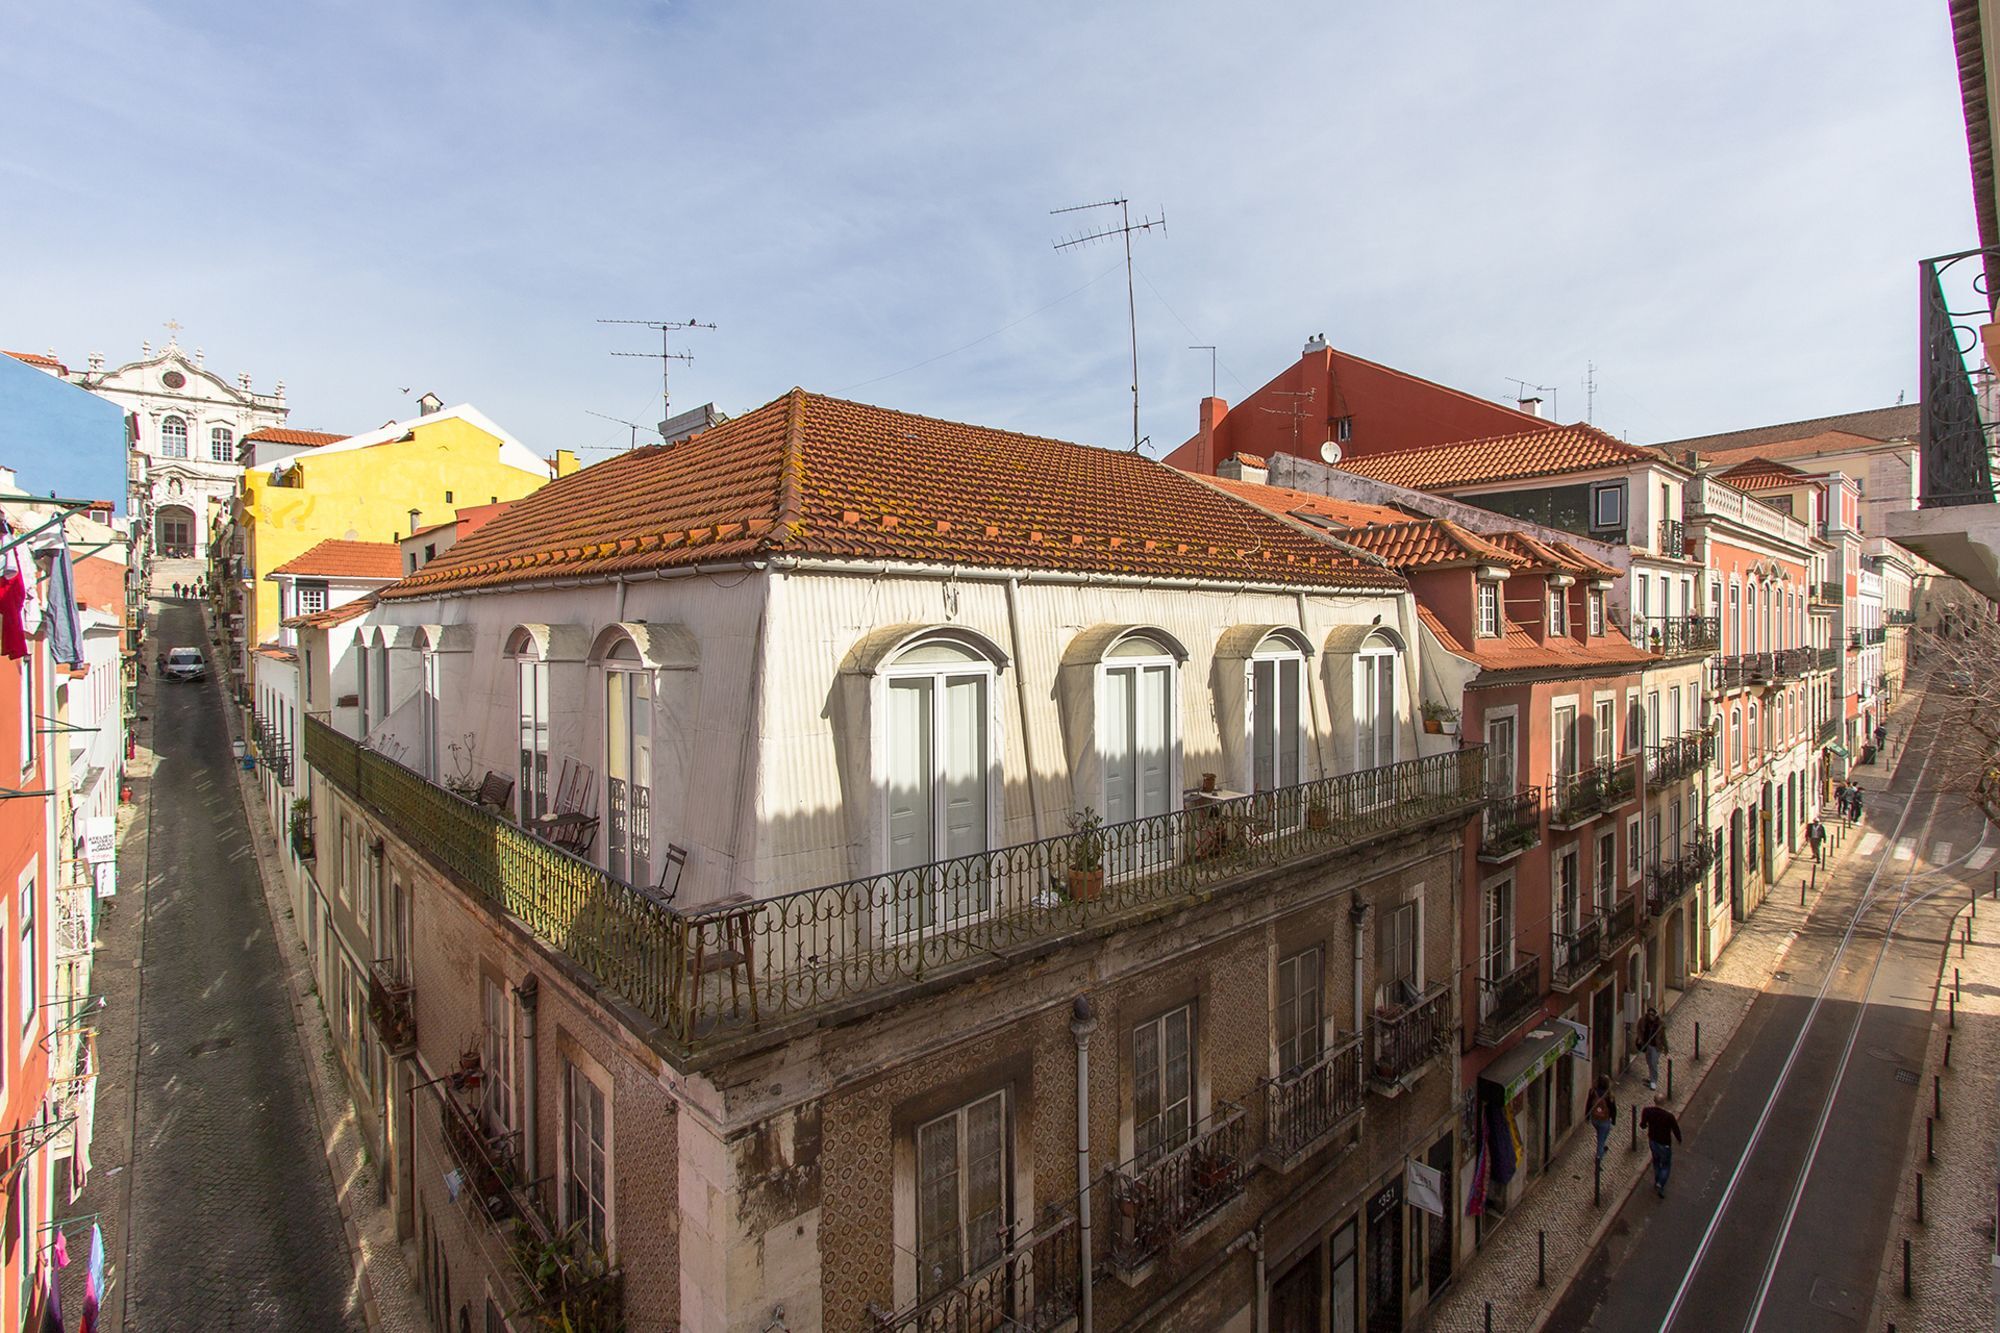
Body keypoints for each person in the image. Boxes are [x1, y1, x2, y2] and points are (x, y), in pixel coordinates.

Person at [1640, 1092, 1683, 1198]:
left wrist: (1644, 1125)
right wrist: (1679, 1139)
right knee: (1666, 1165)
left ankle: (1657, 1179)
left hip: (1653, 1141)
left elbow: (1643, 1124)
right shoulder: (1669, 1116)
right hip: (1664, 1144)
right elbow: (1675, 1129)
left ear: (1654, 1101)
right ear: (1664, 1102)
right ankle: (1660, 1183)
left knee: (1656, 1160)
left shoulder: (1647, 1111)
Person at [1635, 1005, 1668, 1089]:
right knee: (1649, 1062)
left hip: (1656, 1047)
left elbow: (1663, 1037)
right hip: (1647, 1045)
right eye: (1649, 1014)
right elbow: (1639, 1028)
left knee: (1653, 1063)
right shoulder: (1643, 1021)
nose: (1651, 1016)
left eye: (1652, 1015)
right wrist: (1640, 1038)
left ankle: (1654, 1082)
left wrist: (1666, 1047)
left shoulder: (1659, 1024)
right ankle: (1651, 1078)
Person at [1587, 1074, 1617, 1162]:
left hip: (1594, 1119)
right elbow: (1613, 1109)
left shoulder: (1592, 1091)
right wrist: (1614, 1120)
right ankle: (1599, 1158)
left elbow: (1589, 1104)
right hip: (1604, 1120)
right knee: (1601, 1138)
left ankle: (1602, 1147)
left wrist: (1587, 1116)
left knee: (1601, 1134)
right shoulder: (1609, 1095)